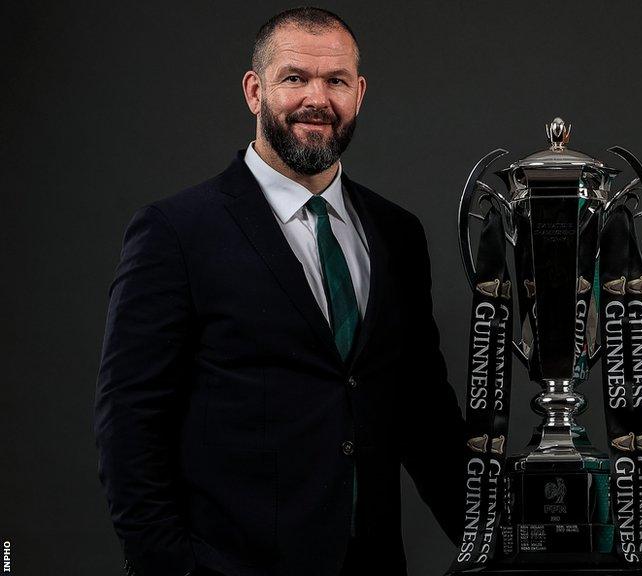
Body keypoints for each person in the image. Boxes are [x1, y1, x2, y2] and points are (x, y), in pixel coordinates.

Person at [94, 7, 465, 576]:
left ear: (359, 93)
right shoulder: (177, 231)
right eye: (295, 77)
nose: (316, 98)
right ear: (254, 90)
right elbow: (130, 424)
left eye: (336, 80)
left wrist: (499, 550)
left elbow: (424, 416)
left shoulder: (398, 233)